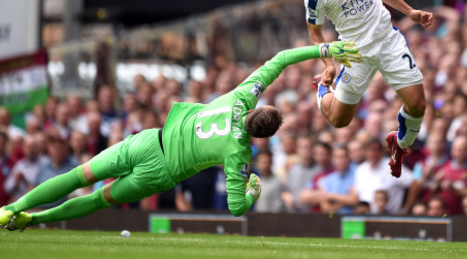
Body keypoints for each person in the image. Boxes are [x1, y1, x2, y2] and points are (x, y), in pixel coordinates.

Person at [0, 42, 360, 231]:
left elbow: (281, 59)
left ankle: (12, 209)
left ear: (254, 109)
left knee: (78, 175)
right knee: (98, 200)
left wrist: (325, 50)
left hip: (146, 141)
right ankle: (34, 221)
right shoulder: (238, 150)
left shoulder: (240, 97)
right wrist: (253, 188)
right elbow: (237, 209)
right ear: (263, 136)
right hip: (161, 173)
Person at [304, 0, 433, 177]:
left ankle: (400, 144)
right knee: (340, 121)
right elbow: (315, 34)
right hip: (355, 55)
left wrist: (410, 12)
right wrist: (328, 65)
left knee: (418, 105)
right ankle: (322, 88)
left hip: (388, 41)